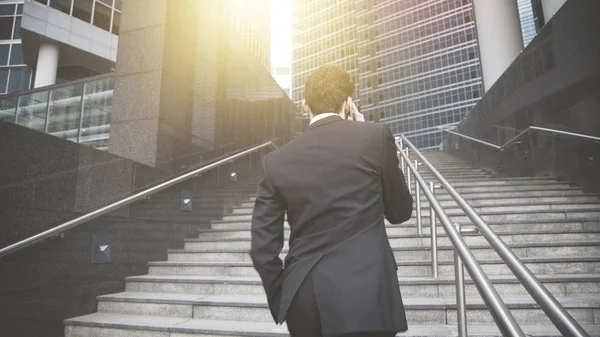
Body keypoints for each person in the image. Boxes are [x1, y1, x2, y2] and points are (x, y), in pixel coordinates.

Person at [250, 65, 413, 337]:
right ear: (348, 102)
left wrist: (282, 295)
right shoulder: (375, 136)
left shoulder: (275, 161)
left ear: (305, 105)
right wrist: (362, 132)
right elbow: (400, 212)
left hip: (303, 295)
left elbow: (262, 247)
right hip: (367, 293)